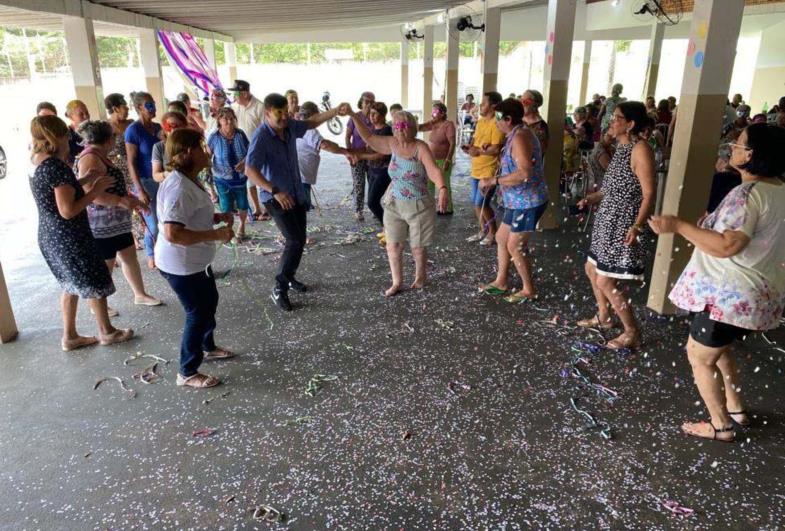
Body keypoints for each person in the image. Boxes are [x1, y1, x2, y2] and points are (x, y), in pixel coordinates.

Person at [648, 123, 785, 442]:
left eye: (738, 145)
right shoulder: (778, 191)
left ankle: (720, 425)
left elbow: (727, 246)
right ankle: (735, 407)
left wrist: (677, 225)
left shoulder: (746, 194)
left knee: (699, 356)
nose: (732, 149)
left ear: (752, 155)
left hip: (728, 296)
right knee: (719, 351)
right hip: (758, 295)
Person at [29, 115, 133, 351]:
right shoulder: (55, 166)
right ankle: (107, 331)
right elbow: (67, 210)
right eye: (66, 135)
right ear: (56, 137)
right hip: (68, 235)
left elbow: (62, 192)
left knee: (69, 284)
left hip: (49, 233)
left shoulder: (36, 161)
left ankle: (70, 336)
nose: (70, 139)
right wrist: (94, 190)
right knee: (94, 279)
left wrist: (84, 179)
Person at [244, 93, 351, 311]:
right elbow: (250, 170)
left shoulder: (290, 126)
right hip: (275, 197)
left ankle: (289, 277)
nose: (284, 117)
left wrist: (334, 111)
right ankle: (279, 288)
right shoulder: (261, 137)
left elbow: (311, 122)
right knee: (293, 240)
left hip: (295, 192)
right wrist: (274, 191)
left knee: (299, 240)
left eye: (286, 112)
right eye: (279, 113)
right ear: (267, 113)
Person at [156, 128, 236, 389]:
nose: (207, 152)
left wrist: (214, 218)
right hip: (181, 264)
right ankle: (187, 371)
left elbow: (188, 217)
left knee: (210, 301)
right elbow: (173, 232)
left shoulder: (188, 178)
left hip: (196, 262)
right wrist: (215, 234)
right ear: (188, 152)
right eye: (202, 147)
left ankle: (207, 346)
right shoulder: (178, 186)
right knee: (197, 312)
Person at [576, 101, 656, 350]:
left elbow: (649, 193)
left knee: (606, 281)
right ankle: (604, 316)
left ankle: (632, 331)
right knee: (591, 269)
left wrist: (637, 226)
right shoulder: (621, 147)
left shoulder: (640, 149)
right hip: (606, 220)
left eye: (616, 117)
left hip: (622, 223)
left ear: (630, 124)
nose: (611, 120)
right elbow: (612, 189)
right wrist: (591, 198)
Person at [349, 109, 449, 296]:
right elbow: (369, 138)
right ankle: (397, 282)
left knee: (417, 247)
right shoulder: (392, 144)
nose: (399, 129)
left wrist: (442, 188)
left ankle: (420, 277)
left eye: (404, 126)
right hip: (394, 203)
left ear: (413, 128)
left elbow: (433, 170)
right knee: (393, 245)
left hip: (418, 204)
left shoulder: (420, 147)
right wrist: (355, 117)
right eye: (396, 126)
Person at [76, 121, 161, 314]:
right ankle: (97, 305)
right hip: (101, 223)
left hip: (117, 221)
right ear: (108, 139)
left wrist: (134, 202)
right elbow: (92, 194)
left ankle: (140, 294)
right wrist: (121, 202)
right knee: (106, 264)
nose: (116, 140)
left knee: (129, 255)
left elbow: (116, 187)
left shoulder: (101, 155)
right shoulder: (90, 158)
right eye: (114, 136)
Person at [480, 99, 548, 302]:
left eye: (498, 119)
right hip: (516, 200)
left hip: (528, 201)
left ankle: (529, 289)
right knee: (501, 238)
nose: (496, 123)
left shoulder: (520, 136)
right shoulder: (514, 134)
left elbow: (525, 172)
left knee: (515, 246)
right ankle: (501, 281)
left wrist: (494, 181)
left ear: (508, 119)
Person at [125, 91, 163, 269]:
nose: (153, 108)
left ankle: (163, 252)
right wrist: (139, 190)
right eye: (149, 105)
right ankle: (151, 253)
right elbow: (131, 163)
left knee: (165, 219)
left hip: (162, 179)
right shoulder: (133, 131)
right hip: (145, 182)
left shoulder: (158, 128)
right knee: (153, 223)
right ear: (139, 108)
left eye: (153, 103)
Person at [295, 101, 355, 213]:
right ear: (314, 115)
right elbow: (325, 145)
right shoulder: (310, 130)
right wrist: (345, 152)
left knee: (301, 208)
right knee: (301, 209)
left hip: (300, 175)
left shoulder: (299, 126)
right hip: (301, 177)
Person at [462, 91, 504, 245]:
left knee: (482, 203)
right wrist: (470, 147)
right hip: (476, 168)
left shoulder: (497, 123)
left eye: (484, 103)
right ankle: (483, 230)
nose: (480, 105)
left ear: (494, 106)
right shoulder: (481, 122)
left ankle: (493, 233)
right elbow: (478, 143)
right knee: (476, 203)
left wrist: (478, 151)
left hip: (488, 170)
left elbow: (496, 148)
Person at [104, 93, 144, 250]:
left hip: (133, 168)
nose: (127, 108)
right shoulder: (106, 127)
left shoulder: (131, 124)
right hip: (116, 171)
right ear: (115, 108)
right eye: (124, 105)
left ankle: (142, 232)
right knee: (123, 202)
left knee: (137, 199)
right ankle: (131, 235)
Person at [208, 107, 251, 239]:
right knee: (226, 206)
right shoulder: (214, 137)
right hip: (222, 179)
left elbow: (250, 152)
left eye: (231, 118)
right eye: (225, 119)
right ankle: (228, 229)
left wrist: (244, 162)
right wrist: (208, 181)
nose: (229, 121)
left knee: (242, 203)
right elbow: (207, 157)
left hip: (240, 178)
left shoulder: (240, 134)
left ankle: (242, 225)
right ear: (219, 120)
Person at [229, 80, 267, 221]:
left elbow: (266, 129)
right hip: (242, 149)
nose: (234, 96)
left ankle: (268, 207)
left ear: (245, 93)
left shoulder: (259, 107)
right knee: (249, 181)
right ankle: (257, 208)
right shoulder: (235, 107)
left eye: (236, 93)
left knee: (262, 178)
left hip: (259, 148)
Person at [350, 102, 392, 229]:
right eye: (370, 114)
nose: (371, 116)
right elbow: (367, 148)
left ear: (383, 115)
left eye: (374, 114)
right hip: (372, 169)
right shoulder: (373, 130)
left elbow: (382, 155)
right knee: (373, 201)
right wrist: (351, 152)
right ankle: (388, 227)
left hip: (383, 171)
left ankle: (389, 227)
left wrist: (361, 156)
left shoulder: (386, 131)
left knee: (372, 202)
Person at [418, 102, 456, 214]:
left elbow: (452, 143)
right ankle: (430, 205)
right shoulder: (433, 124)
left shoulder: (448, 125)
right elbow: (420, 128)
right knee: (429, 183)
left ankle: (447, 208)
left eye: (435, 112)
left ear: (443, 113)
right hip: (431, 160)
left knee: (443, 184)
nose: (432, 114)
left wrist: (448, 160)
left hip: (443, 159)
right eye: (432, 111)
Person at [345, 91, 376, 221]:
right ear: (361, 103)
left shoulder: (375, 117)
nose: (369, 104)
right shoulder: (354, 117)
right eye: (366, 101)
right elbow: (347, 137)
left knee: (373, 183)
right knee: (358, 183)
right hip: (357, 156)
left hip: (371, 156)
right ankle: (358, 210)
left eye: (371, 101)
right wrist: (349, 152)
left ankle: (374, 208)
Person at [152, 111, 188, 183]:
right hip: (169, 188)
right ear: (164, 128)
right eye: (169, 126)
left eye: (177, 126)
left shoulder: (190, 144)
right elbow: (155, 176)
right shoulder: (159, 147)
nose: (173, 130)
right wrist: (168, 174)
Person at [64, 100, 90, 165]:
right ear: (70, 117)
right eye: (81, 114)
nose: (86, 116)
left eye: (87, 113)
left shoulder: (92, 130)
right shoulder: (66, 135)